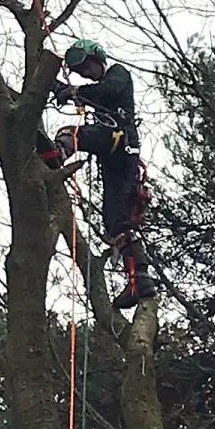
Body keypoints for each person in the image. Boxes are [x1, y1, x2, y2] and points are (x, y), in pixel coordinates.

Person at [39, 39, 157, 310]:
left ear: (98, 58)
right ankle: (139, 279)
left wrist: (72, 92)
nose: (85, 73)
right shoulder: (96, 87)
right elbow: (93, 94)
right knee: (116, 219)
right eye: (80, 71)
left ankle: (58, 152)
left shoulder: (118, 74)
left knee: (71, 133)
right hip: (115, 156)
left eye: (87, 67)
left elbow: (105, 91)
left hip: (118, 139)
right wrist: (62, 89)